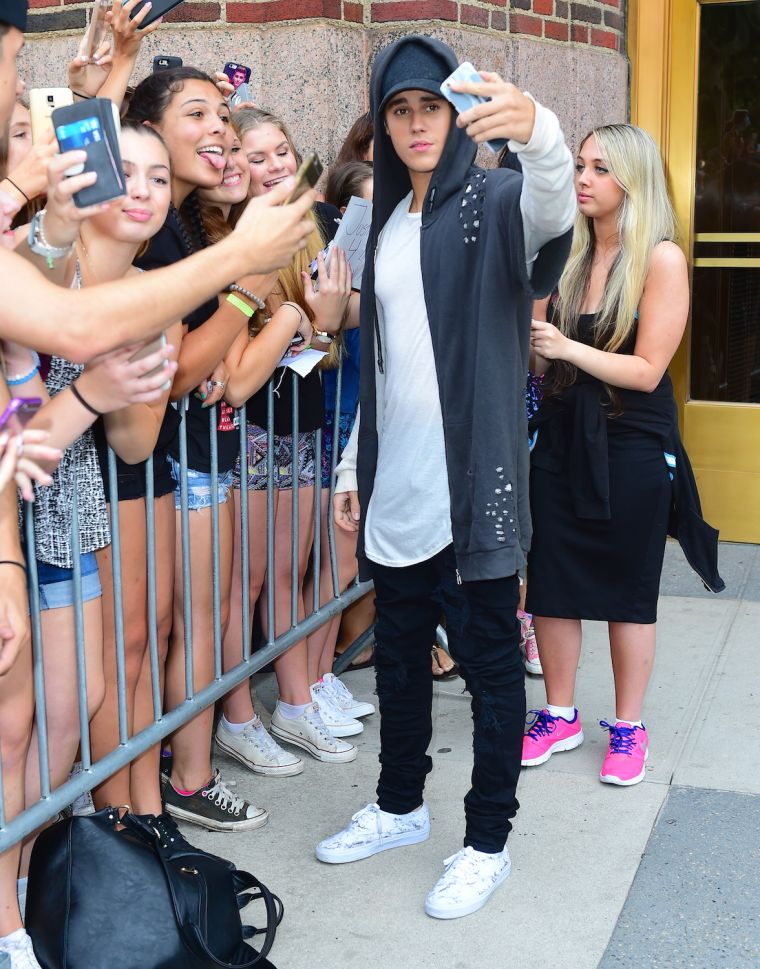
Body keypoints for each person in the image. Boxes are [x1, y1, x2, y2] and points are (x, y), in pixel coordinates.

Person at [317, 35, 575, 919]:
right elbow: (382, 364)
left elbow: (551, 206)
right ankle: (398, 806)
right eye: (400, 110)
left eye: (432, 107)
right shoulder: (385, 224)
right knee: (397, 664)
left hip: (475, 491)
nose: (417, 124)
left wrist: (539, 130)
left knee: (494, 671)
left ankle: (488, 839)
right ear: (383, 125)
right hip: (397, 488)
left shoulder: (495, 200)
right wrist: (354, 461)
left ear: (457, 114)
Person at [522, 123, 724, 786]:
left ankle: (629, 727)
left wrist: (564, 348)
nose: (583, 178)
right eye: (581, 165)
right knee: (551, 580)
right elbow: (537, 353)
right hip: (560, 435)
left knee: (628, 590)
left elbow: (646, 368)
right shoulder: (569, 250)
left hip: (633, 441)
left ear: (631, 180)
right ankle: (559, 713)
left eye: (600, 168)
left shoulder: (661, 258)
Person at [221, 106, 359, 766]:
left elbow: (323, 337)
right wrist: (303, 321)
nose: (276, 165)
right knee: (244, 582)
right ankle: (238, 715)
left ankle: (298, 704)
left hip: (301, 419)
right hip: (248, 429)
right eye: (258, 155)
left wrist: (319, 322)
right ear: (231, 166)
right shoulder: (230, 243)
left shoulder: (310, 232)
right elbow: (239, 349)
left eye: (283, 151)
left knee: (286, 572)